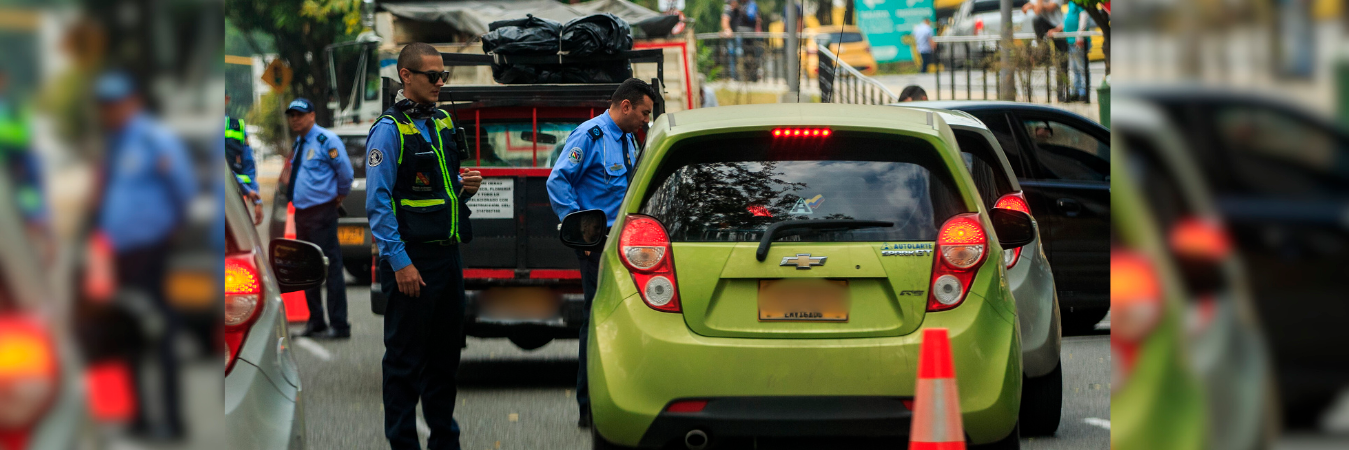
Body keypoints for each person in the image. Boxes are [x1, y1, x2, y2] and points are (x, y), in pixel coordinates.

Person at [366, 42, 482, 450]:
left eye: (444, 76)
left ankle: (444, 442)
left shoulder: (445, 122)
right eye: (433, 76)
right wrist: (399, 263)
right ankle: (403, 443)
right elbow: (378, 205)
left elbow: (443, 195)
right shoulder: (388, 130)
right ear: (406, 76)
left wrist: (466, 189)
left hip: (448, 257)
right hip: (411, 262)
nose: (440, 83)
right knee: (403, 364)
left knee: (445, 360)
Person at [546, 78, 657, 428]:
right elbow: (558, 182)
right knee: (597, 324)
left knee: (624, 322)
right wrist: (580, 231)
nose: (646, 120)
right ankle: (589, 407)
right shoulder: (590, 136)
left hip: (624, 244)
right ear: (625, 106)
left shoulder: (626, 139)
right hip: (597, 246)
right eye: (643, 112)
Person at [94, 70, 196, 440]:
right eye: (105, 105)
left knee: (161, 334)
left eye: (115, 103)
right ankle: (138, 416)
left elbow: (183, 188)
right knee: (127, 334)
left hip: (151, 252)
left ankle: (172, 420)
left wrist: (169, 232)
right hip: (121, 254)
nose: (109, 111)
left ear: (132, 102)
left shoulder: (154, 139)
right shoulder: (113, 142)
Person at [284, 97, 355, 339]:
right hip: (303, 214)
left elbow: (345, 172)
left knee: (331, 268)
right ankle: (316, 322)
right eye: (292, 115)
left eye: (300, 114)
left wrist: (340, 196)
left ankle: (339, 324)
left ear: (312, 116)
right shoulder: (299, 143)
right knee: (307, 269)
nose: (295, 119)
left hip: (322, 212)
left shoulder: (327, 140)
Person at [226, 94, 263, 224]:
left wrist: (257, 200)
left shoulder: (237, 126)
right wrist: (247, 190)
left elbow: (248, 164)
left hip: (236, 200)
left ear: (226, 99)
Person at [1064, 1, 1091, 101]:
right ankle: (1075, 91)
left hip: (1079, 41)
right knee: (1074, 68)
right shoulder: (1071, 3)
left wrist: (1080, 36)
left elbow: (1084, 17)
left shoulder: (1079, 2)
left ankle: (1083, 91)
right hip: (1071, 40)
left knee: (1081, 67)